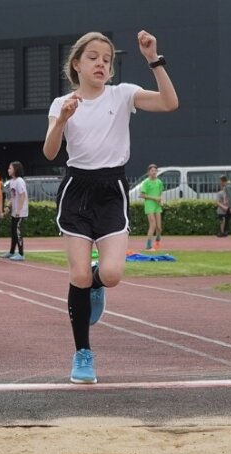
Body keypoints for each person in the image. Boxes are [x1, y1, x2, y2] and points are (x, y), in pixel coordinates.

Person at [43, 30, 178, 384]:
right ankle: (82, 354)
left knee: (112, 274)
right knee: (78, 275)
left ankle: (98, 284)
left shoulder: (122, 95)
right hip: (77, 188)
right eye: (93, 57)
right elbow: (50, 152)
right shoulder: (63, 103)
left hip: (112, 190)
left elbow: (169, 103)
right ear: (77, 64)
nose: (101, 62)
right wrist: (62, 120)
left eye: (107, 58)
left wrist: (153, 58)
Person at [2, 160, 27, 261]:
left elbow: (22, 195)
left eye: (10, 168)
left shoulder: (20, 181)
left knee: (18, 231)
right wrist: (8, 207)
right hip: (14, 212)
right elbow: (13, 197)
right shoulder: (12, 181)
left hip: (20, 212)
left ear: (15, 169)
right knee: (13, 231)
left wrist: (18, 210)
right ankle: (11, 251)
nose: (8, 170)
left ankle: (21, 253)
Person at [140, 163, 164, 251]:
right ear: (148, 172)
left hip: (157, 206)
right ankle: (148, 246)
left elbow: (160, 193)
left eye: (155, 171)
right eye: (152, 171)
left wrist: (161, 200)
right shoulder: (146, 182)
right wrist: (154, 198)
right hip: (149, 205)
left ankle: (157, 241)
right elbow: (141, 195)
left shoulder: (159, 182)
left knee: (159, 227)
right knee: (152, 225)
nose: (154, 172)